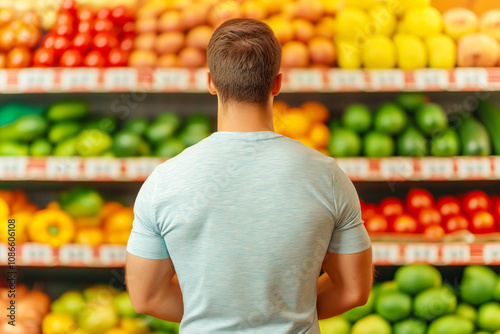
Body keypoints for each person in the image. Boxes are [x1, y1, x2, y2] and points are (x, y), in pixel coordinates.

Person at [126, 18, 373, 334]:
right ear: (277, 83)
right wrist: (284, 310)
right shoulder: (328, 176)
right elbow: (353, 290)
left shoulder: (163, 181)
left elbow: (146, 298)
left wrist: (217, 315)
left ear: (211, 82)